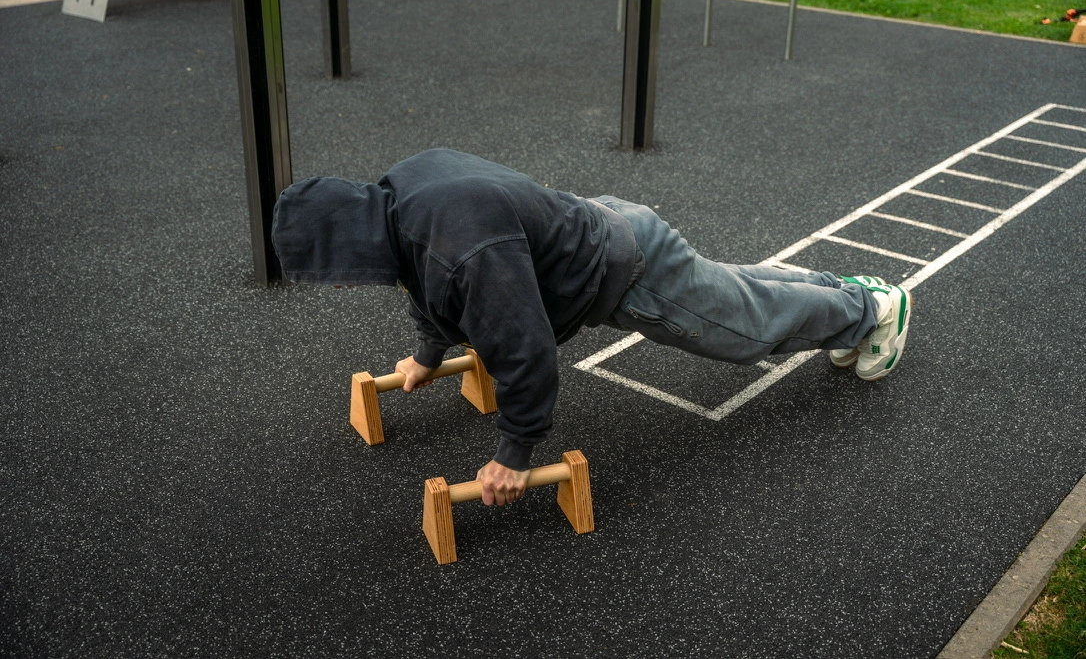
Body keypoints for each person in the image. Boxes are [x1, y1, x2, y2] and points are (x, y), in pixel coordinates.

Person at [271, 149, 913, 506]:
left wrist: (513, 455)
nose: (345, 283)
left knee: (744, 333)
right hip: (601, 225)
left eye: (335, 272)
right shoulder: (402, 192)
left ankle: (872, 311)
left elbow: (525, 351)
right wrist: (426, 353)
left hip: (626, 271)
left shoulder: (462, 246)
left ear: (344, 244)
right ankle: (844, 292)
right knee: (732, 292)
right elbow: (426, 282)